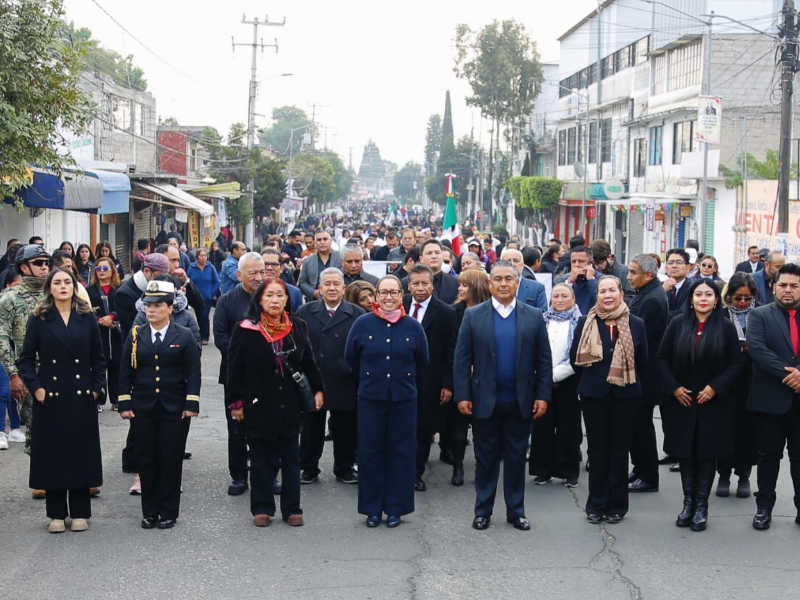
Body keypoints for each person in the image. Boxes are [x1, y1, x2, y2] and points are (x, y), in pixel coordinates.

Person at [453, 260, 552, 531]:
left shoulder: (532, 315)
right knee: (485, 460)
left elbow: (544, 360)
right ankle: (482, 511)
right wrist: (462, 394)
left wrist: (543, 395)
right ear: (489, 284)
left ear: (517, 283)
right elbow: (462, 360)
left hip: (520, 402)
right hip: (485, 401)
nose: (504, 284)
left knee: (516, 459)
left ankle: (516, 511)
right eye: (498, 279)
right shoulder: (474, 316)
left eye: (509, 279)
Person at [227, 278, 323, 527]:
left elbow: (308, 362)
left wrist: (318, 390)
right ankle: (262, 507)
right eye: (269, 296)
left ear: (287, 299)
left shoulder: (297, 326)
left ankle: (292, 508)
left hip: (290, 403)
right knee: (261, 459)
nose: (275, 301)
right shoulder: (246, 328)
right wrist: (236, 404)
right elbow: (234, 369)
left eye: (279, 296)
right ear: (259, 299)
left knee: (291, 458)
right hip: (258, 403)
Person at [18, 268, 106, 533]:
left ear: (74, 286)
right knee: (54, 454)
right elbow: (25, 359)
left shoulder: (87, 316)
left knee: (80, 452)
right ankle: (56, 512)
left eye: (67, 282)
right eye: (57, 282)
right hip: (51, 397)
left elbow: (99, 359)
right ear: (50, 288)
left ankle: (80, 511)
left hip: (81, 395)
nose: (63, 286)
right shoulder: (39, 318)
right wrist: (37, 388)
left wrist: (96, 388)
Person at [658, 279, 743, 531]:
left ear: (717, 299)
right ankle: (687, 504)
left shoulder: (726, 327)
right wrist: (673, 387)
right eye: (698, 294)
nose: (703, 298)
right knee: (685, 453)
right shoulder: (677, 324)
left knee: (706, 454)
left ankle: (701, 506)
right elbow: (661, 358)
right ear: (691, 299)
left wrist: (716, 387)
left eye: (708, 294)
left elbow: (737, 364)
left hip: (713, 402)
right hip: (683, 399)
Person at [345, 275, 429, 528]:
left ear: (401, 294)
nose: (389, 297)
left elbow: (422, 362)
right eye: (384, 292)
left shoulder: (413, 327)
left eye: (394, 292)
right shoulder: (362, 324)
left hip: (403, 400)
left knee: (401, 454)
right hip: (372, 399)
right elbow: (351, 359)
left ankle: (396, 508)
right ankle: (372, 509)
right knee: (371, 453)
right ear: (377, 296)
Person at [118, 280, 201, 530]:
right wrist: (124, 402)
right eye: (148, 305)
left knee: (170, 459)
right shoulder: (136, 335)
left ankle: (168, 512)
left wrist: (191, 403)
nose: (151, 310)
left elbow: (193, 373)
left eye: (157, 305)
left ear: (169, 307)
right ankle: (149, 512)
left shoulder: (183, 336)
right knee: (146, 459)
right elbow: (124, 371)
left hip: (174, 408)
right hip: (143, 408)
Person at [570, 275, 648, 524]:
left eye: (612, 290)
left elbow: (643, 360)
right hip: (594, 395)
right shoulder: (586, 322)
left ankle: (617, 506)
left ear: (621, 294)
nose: (607, 295)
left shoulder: (636, 323)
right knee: (597, 450)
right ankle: (596, 505)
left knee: (619, 451)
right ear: (597, 296)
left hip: (626, 396)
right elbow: (575, 358)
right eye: (602, 291)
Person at [296, 268, 364, 485]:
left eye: (336, 284)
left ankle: (344, 468)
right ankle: (308, 467)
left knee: (345, 428)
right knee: (310, 427)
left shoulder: (357, 314)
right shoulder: (305, 312)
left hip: (344, 379)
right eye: (327, 284)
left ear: (344, 288)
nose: (332, 288)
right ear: (320, 289)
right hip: (315, 378)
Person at [746, 263, 800, 530]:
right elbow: (757, 349)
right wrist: (791, 375)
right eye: (783, 285)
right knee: (768, 458)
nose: (788, 290)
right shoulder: (759, 315)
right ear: (773, 286)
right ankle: (764, 508)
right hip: (770, 400)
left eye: (794, 285)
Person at [213, 252, 267, 496]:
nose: (258, 277)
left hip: (267, 374)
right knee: (237, 427)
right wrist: (247, 356)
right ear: (239, 275)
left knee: (266, 427)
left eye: (261, 272)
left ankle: (266, 474)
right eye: (252, 273)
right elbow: (221, 338)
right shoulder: (227, 301)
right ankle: (238, 476)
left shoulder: (272, 296)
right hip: (236, 374)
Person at [403, 265, 457, 489]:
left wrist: (447, 383)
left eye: (425, 283)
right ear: (408, 286)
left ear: (432, 286)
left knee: (423, 428)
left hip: (430, 380)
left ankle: (415, 473)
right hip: (399, 377)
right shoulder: (399, 304)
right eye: (416, 283)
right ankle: (399, 470)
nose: (420, 288)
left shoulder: (446, 312)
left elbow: (450, 351)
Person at [0, 244, 51, 470]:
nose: (44, 268)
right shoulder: (10, 299)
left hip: (60, 369)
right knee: (35, 426)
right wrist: (13, 374)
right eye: (38, 263)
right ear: (23, 267)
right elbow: (1, 337)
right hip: (29, 371)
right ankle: (41, 476)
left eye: (47, 263)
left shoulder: (56, 293)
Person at [530, 283, 583, 486]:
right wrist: (544, 376)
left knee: (568, 428)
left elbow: (579, 355)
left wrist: (556, 375)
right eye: (556, 296)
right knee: (542, 426)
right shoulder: (542, 320)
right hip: (542, 381)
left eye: (564, 296)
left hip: (569, 381)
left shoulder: (580, 322)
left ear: (573, 299)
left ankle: (569, 472)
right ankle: (543, 470)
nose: (559, 300)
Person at [626, 254, 669, 493]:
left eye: (633, 272)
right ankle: (640, 467)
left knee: (642, 426)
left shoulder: (653, 299)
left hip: (646, 374)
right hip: (641, 373)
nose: (628, 277)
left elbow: (641, 340)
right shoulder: (646, 294)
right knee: (636, 425)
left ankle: (649, 475)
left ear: (649, 275)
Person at [716, 272, 758, 499]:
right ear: (729, 296)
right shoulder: (721, 316)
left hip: (752, 381)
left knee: (747, 431)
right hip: (726, 381)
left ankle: (744, 475)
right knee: (725, 430)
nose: (742, 303)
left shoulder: (759, 316)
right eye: (738, 298)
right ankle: (723, 474)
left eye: (746, 298)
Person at [87, 256, 123, 411]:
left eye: (105, 268)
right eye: (99, 268)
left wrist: (112, 317)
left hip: (115, 333)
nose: (102, 272)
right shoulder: (89, 290)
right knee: (98, 366)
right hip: (97, 333)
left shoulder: (119, 289)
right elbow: (86, 309)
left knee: (116, 366)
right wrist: (99, 320)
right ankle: (99, 399)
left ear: (112, 270)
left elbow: (124, 309)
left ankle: (116, 399)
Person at [298, 230, 343, 302]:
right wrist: (313, 292)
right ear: (315, 243)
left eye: (325, 239)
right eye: (319, 240)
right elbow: (302, 282)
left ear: (331, 241)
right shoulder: (308, 261)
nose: (322, 242)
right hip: (315, 302)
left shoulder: (341, 258)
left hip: (338, 300)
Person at [187, 248, 220, 345]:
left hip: (207, 297)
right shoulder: (192, 267)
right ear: (197, 257)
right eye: (201, 256)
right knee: (199, 316)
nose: (203, 258)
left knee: (205, 316)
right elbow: (188, 281)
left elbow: (217, 282)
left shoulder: (210, 267)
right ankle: (200, 335)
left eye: (205, 256)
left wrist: (212, 293)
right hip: (196, 297)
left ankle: (205, 336)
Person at [564, 246, 598, 315]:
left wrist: (591, 280)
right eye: (573, 262)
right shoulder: (564, 280)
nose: (576, 265)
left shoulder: (601, 279)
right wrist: (569, 283)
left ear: (590, 263)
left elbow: (600, 302)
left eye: (581, 261)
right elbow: (556, 305)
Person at [664, 249, 692, 318]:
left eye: (679, 262)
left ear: (688, 267)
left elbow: (683, 313)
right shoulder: (661, 287)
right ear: (666, 268)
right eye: (670, 263)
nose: (674, 266)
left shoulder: (693, 288)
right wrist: (662, 291)